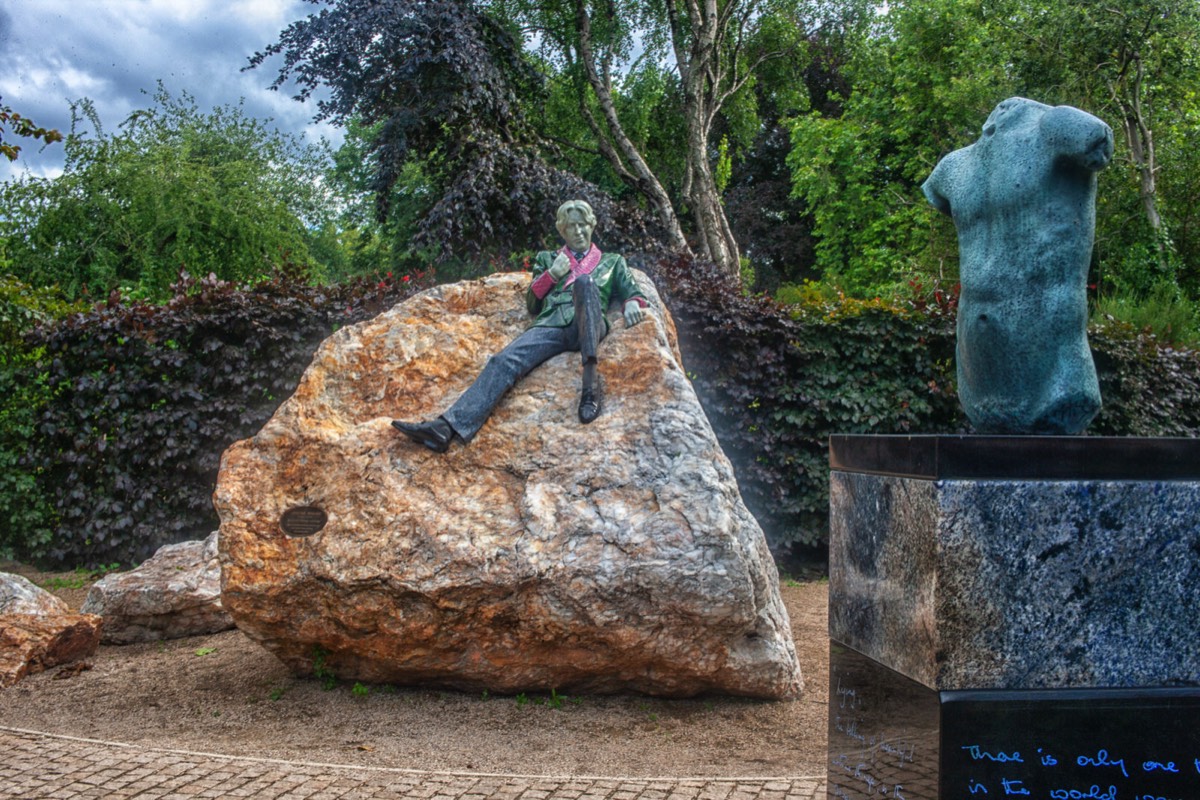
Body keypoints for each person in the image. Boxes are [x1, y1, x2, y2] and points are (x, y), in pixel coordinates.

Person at [392, 199, 649, 453]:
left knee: (585, 283)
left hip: (589, 323)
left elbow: (632, 290)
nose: (579, 231)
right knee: (503, 360)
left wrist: (632, 302)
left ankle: (590, 386)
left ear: (592, 225)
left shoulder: (612, 261)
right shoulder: (548, 258)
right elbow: (532, 304)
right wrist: (552, 275)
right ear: (562, 230)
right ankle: (445, 428)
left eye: (583, 225)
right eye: (572, 226)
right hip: (552, 324)